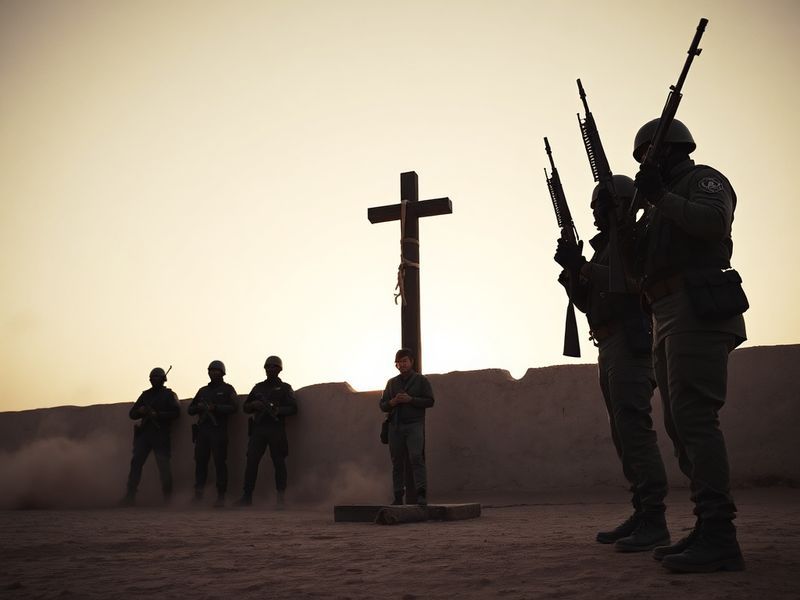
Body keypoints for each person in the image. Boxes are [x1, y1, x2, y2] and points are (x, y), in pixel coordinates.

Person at [630, 118, 748, 573]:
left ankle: (720, 533)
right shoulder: (657, 204)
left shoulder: (704, 180)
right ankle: (707, 524)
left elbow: (713, 223)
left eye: (649, 154)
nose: (645, 163)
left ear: (670, 150)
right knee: (679, 423)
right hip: (662, 312)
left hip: (697, 304)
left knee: (696, 417)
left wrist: (660, 196)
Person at [554, 175, 670, 552]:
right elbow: (593, 302)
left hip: (631, 339)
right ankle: (642, 510)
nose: (594, 213)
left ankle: (654, 518)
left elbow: (633, 283)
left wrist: (586, 269)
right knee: (623, 431)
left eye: (600, 206)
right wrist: (573, 274)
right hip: (607, 342)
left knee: (634, 427)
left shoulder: (635, 239)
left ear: (618, 205)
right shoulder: (607, 248)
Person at [235, 356, 298, 507]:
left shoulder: (285, 388)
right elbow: (245, 407)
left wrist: (277, 411)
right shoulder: (258, 388)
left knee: (279, 462)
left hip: (276, 429)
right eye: (268, 367)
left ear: (279, 369)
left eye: (273, 367)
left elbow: (293, 408)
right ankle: (247, 496)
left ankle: (281, 498)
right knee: (251, 461)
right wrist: (254, 405)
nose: (270, 369)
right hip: (259, 429)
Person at [379, 348, 435, 506]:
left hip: (414, 425)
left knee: (416, 458)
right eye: (399, 362)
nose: (402, 364)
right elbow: (383, 405)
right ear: (396, 365)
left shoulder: (421, 381)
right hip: (395, 426)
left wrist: (410, 399)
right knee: (397, 462)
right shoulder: (392, 383)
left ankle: (421, 495)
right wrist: (393, 402)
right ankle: (398, 497)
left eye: (405, 361)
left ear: (411, 362)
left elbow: (430, 401)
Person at [122, 367, 181, 505]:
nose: (154, 380)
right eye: (152, 377)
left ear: (163, 379)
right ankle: (130, 496)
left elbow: (176, 413)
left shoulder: (169, 395)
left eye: (157, 377)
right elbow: (132, 414)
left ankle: (168, 498)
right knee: (136, 463)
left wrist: (158, 415)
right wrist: (141, 411)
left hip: (160, 434)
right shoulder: (145, 395)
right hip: (145, 435)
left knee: (163, 466)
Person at [187, 360, 238, 507]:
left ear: (222, 373)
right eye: (211, 370)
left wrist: (216, 408)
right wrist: (200, 407)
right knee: (200, 463)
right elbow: (190, 409)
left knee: (220, 463)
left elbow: (234, 407)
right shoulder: (203, 391)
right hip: (203, 432)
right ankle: (198, 495)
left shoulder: (228, 389)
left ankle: (221, 497)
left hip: (218, 431)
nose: (213, 373)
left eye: (216, 371)